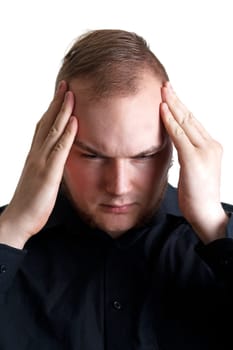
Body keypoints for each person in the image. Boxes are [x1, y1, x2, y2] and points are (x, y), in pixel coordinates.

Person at [0, 29, 233, 350]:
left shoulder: (222, 239)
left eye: (144, 156)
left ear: (175, 149)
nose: (119, 187)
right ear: (50, 149)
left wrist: (215, 229)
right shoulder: (5, 238)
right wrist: (12, 230)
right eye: (93, 155)